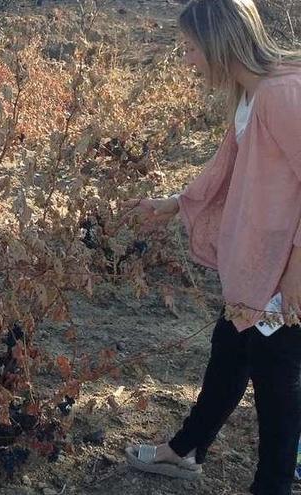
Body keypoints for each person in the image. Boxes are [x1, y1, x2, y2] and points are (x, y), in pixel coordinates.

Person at [122, 0, 301, 493]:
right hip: (261, 263)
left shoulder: (282, 94)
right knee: (231, 349)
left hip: (283, 268)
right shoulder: (252, 95)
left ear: (218, 45)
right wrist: (175, 203)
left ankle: (273, 486)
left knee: (276, 384)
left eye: (190, 48)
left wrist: (293, 277)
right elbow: (235, 168)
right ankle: (186, 450)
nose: (186, 60)